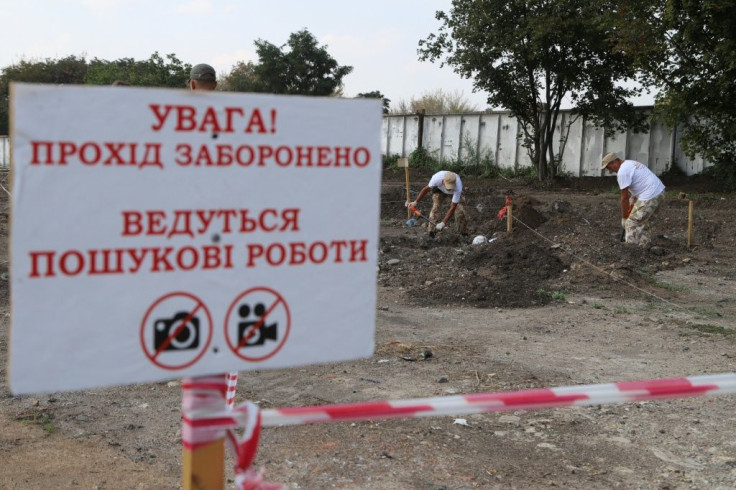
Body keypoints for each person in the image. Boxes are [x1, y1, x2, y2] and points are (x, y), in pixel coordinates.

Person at [601, 152, 665, 246]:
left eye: (609, 168)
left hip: (650, 195)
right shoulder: (630, 163)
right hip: (659, 192)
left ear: (614, 162)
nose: (610, 171)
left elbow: (624, 198)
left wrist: (624, 217)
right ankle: (644, 247)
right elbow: (641, 179)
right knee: (646, 223)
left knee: (631, 222)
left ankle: (630, 251)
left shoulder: (622, 172)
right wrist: (634, 196)